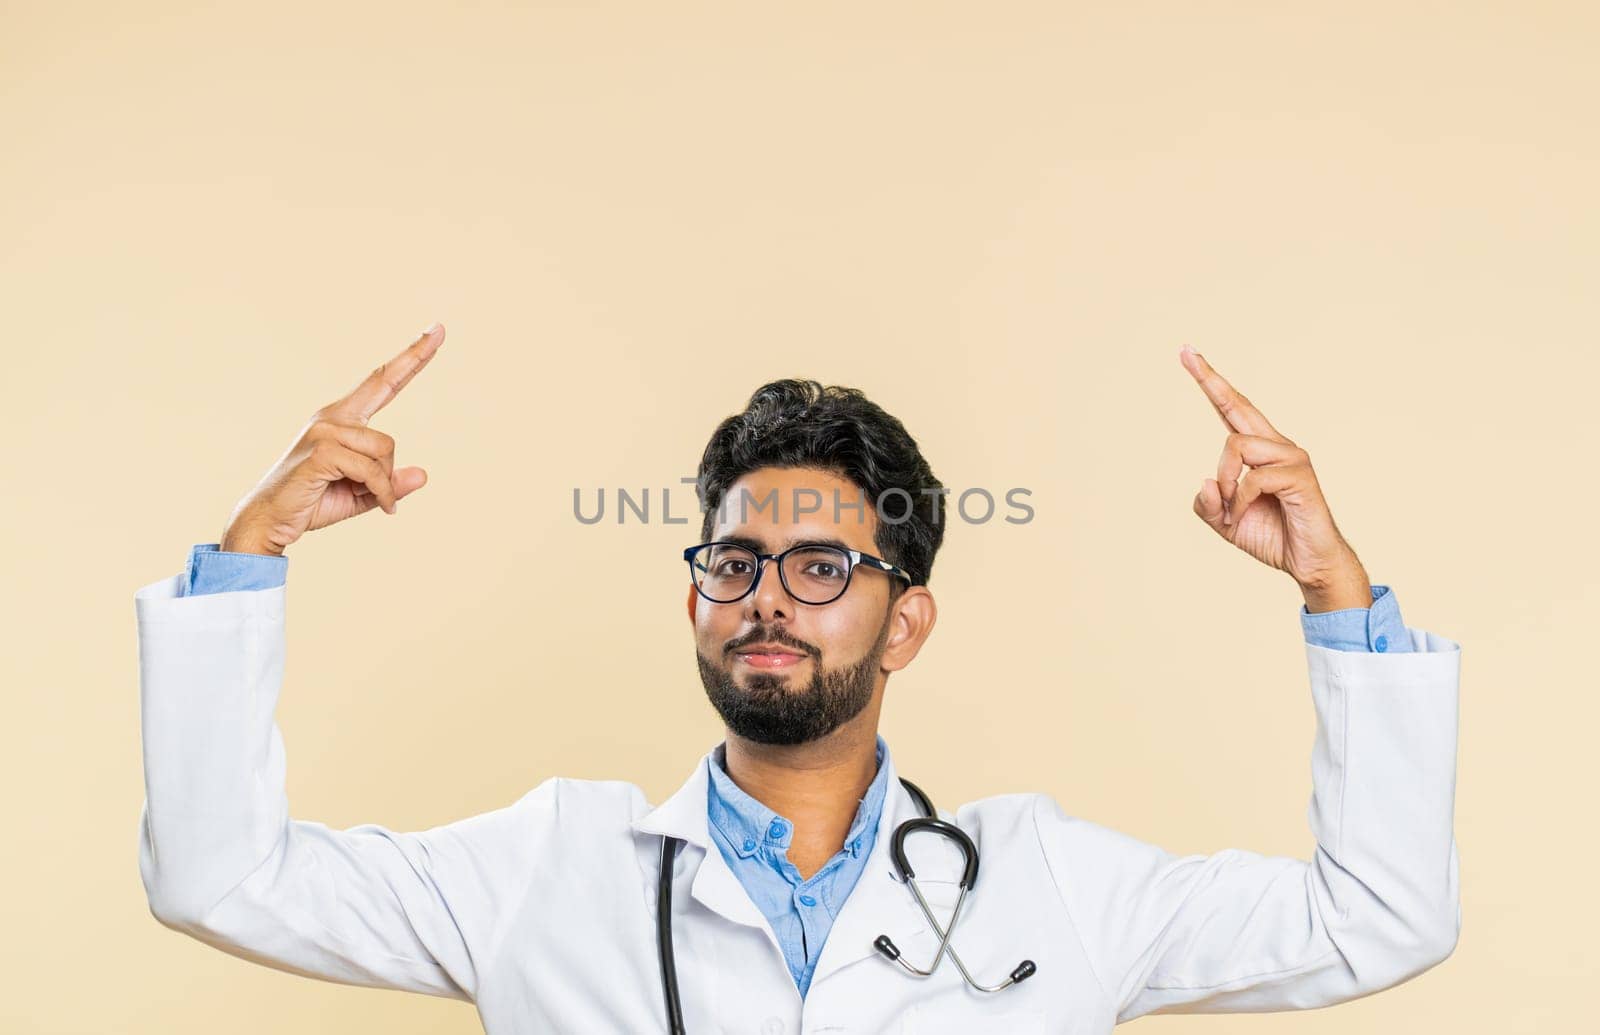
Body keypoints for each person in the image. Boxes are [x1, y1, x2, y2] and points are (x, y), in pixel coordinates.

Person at [133, 325, 1461, 1034]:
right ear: (698, 593)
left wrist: (1332, 591)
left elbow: (1380, 923)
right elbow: (218, 879)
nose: (767, 596)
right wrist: (255, 548)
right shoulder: (547, 864)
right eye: (736, 560)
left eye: (824, 566)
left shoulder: (1053, 881)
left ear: (907, 624)